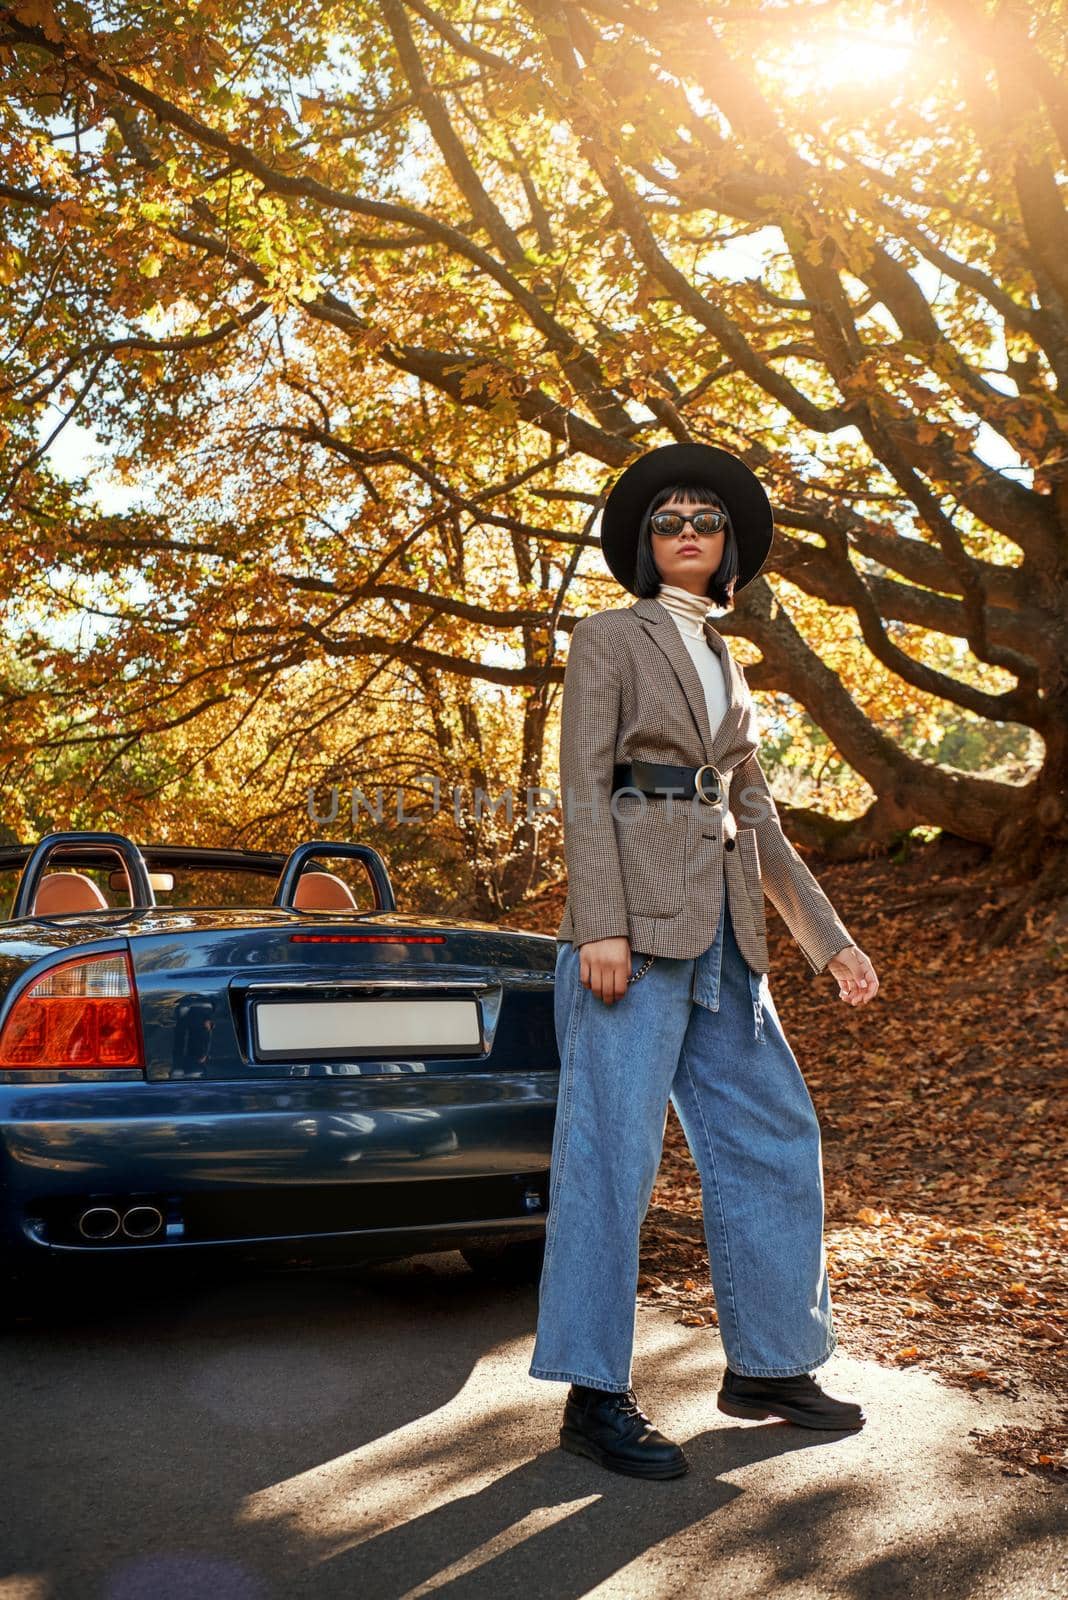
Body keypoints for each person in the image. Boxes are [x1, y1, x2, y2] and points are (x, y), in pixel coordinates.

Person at [529, 441, 880, 1480]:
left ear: (728, 547)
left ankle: (770, 1364)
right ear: (648, 545)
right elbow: (585, 787)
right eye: (670, 521)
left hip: (729, 935)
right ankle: (595, 1396)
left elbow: (756, 811)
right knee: (613, 1157)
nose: (688, 532)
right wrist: (599, 920)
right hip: (631, 933)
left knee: (775, 1128)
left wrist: (830, 941)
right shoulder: (609, 637)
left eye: (707, 521)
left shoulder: (729, 662)